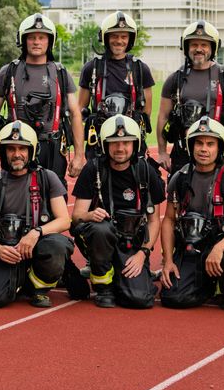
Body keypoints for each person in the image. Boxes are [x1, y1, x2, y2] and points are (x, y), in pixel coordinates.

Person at [158, 116, 224, 311]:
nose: (203, 149)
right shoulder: (180, 178)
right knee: (174, 298)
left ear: (220, 147)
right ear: (191, 146)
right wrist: (168, 261)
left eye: (210, 144)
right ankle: (207, 284)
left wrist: (219, 249)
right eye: (199, 143)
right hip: (193, 244)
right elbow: (169, 220)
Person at [0, 121, 72, 309]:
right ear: (3, 152)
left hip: (37, 247)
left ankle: (37, 288)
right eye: (11, 149)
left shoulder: (47, 178)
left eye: (22, 148)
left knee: (57, 245)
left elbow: (65, 220)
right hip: (6, 251)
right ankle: (18, 279)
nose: (17, 154)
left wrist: (36, 233)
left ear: (32, 151)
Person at [68, 114, 165, 309]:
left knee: (139, 299)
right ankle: (103, 287)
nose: (120, 148)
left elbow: (155, 221)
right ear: (105, 145)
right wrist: (90, 215)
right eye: (114, 143)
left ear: (135, 144)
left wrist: (143, 253)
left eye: (126, 143)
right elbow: (77, 216)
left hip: (132, 243)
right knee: (100, 229)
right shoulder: (93, 169)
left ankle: (125, 279)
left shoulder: (146, 172)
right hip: (102, 239)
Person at [0, 12, 84, 182]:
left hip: (52, 147)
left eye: (42, 37)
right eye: (31, 38)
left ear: (50, 41)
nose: (37, 42)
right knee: (14, 194)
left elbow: (75, 114)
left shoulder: (60, 72)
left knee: (54, 194)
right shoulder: (9, 72)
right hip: (17, 146)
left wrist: (79, 155)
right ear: (23, 40)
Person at [157, 20, 224, 173]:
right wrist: (162, 152)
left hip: (218, 152)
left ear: (213, 48)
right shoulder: (175, 79)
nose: (199, 49)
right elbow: (163, 116)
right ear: (186, 47)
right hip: (183, 153)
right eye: (194, 45)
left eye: (204, 45)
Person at [79, 10, 156, 149]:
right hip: (99, 139)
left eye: (124, 36)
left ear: (130, 39)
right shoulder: (92, 68)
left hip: (131, 138)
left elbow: (147, 111)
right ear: (105, 37)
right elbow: (80, 109)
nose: (119, 41)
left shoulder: (140, 68)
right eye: (114, 36)